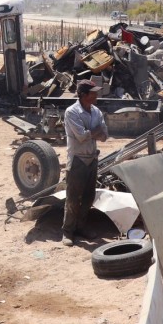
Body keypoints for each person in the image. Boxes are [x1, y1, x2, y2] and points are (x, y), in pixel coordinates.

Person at [62, 79, 108, 246]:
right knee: (73, 198)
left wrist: (92, 133)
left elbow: (104, 135)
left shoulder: (96, 111)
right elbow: (81, 137)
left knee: (88, 197)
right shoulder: (71, 112)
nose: (96, 95)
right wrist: (95, 133)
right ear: (83, 95)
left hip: (92, 158)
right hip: (77, 160)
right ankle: (67, 231)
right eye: (92, 93)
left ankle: (81, 227)